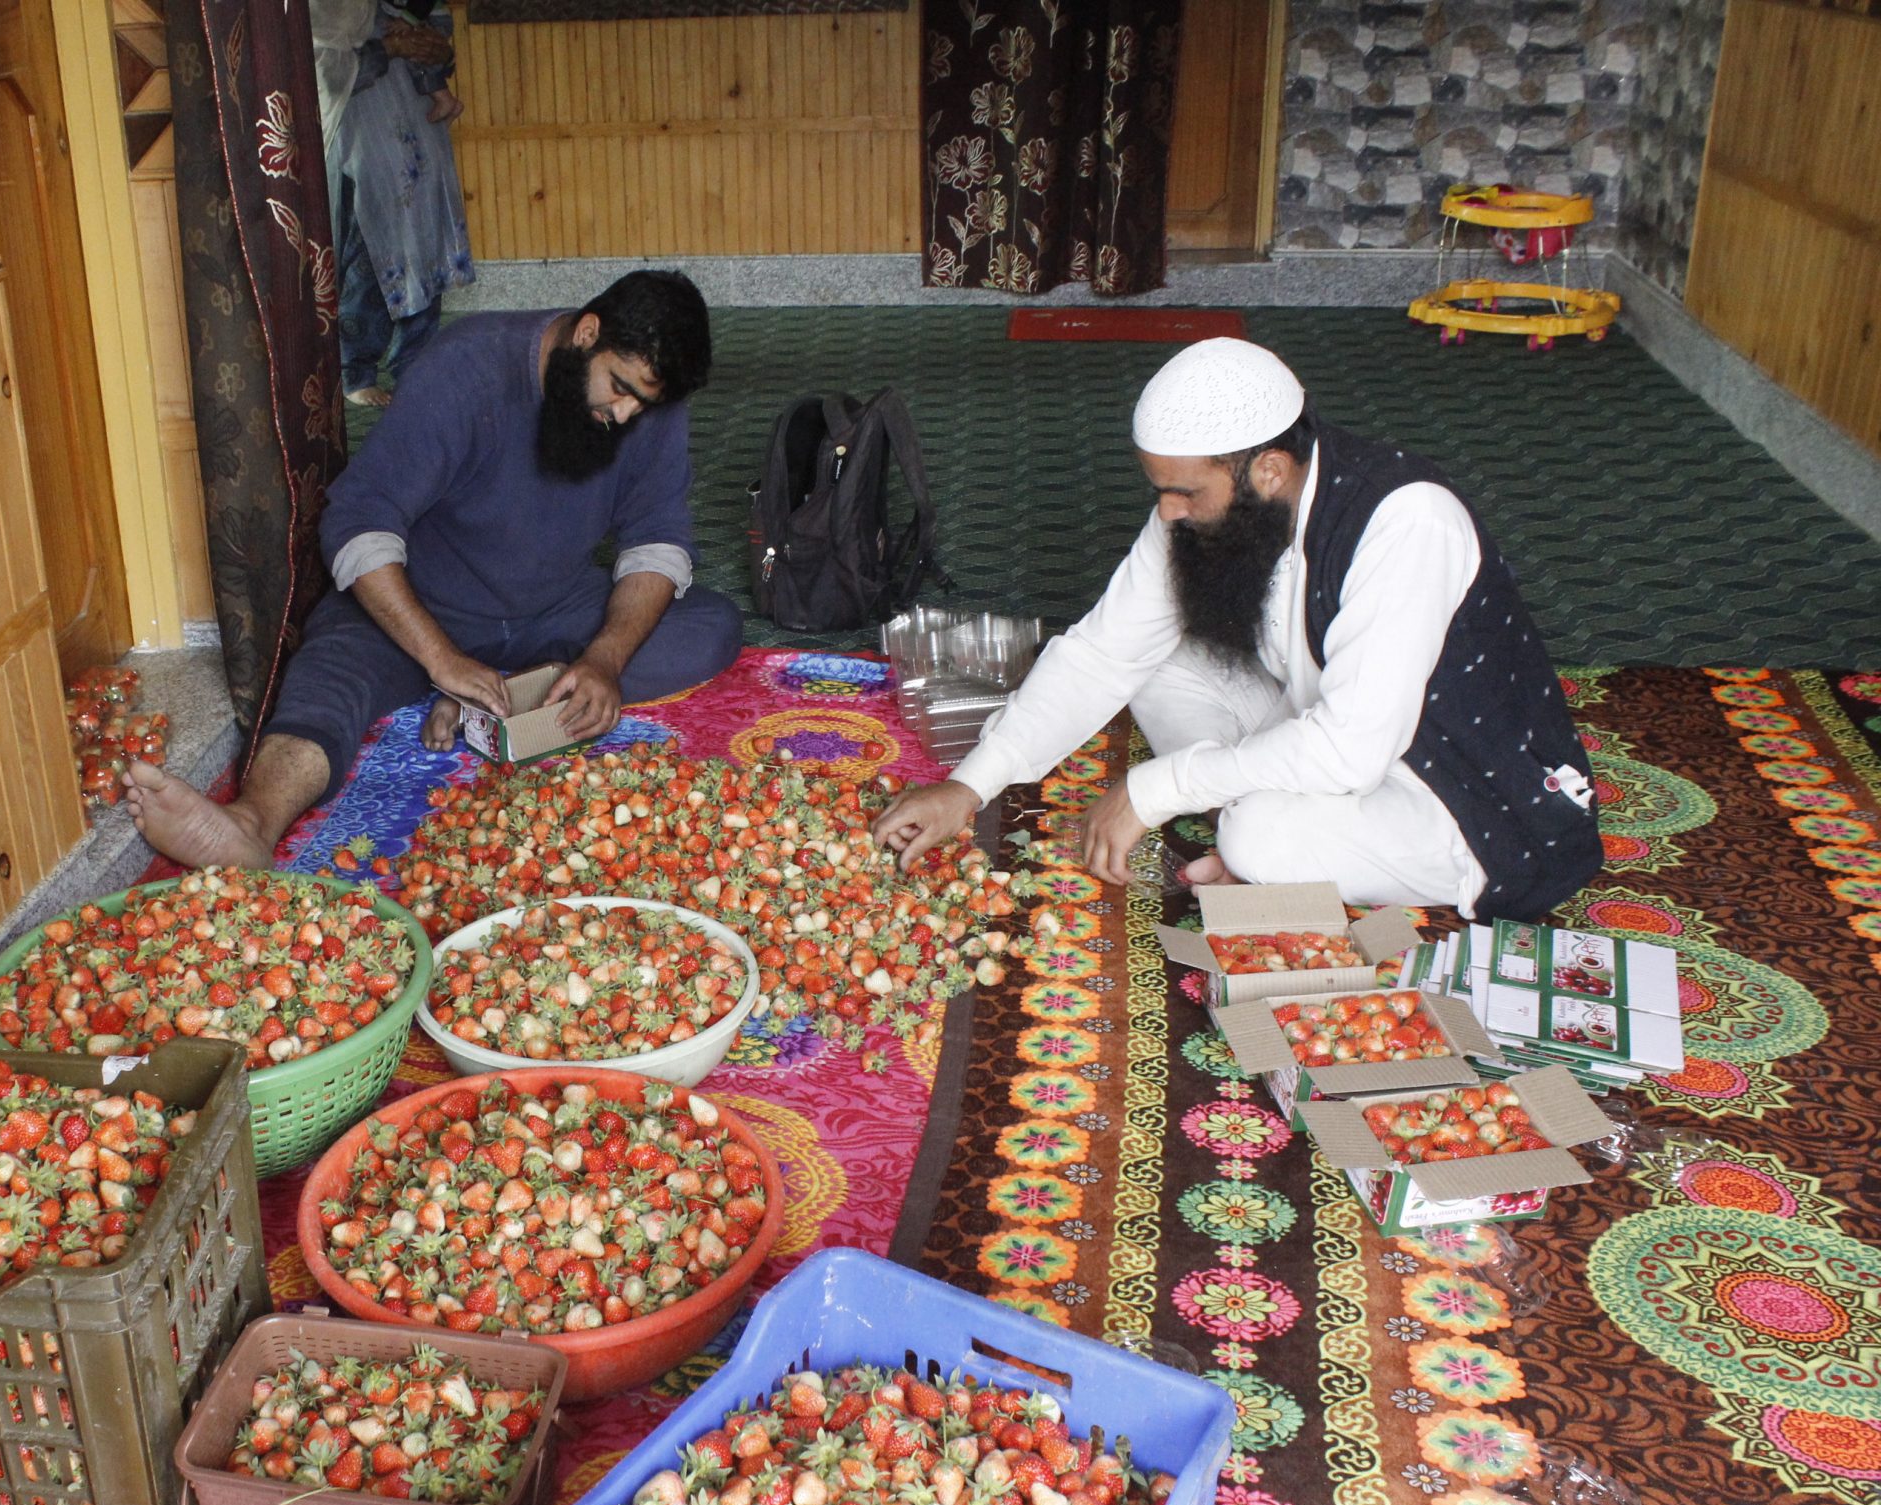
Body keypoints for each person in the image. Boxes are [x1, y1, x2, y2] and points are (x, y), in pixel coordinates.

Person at [871, 337, 1600, 919]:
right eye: (1160, 489)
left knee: (1257, 834)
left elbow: (1352, 751)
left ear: (1269, 471)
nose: (1166, 512)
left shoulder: (1407, 521)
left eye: (1184, 491)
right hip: (1333, 727)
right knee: (1155, 662)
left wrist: (1155, 788)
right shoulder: (1209, 508)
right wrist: (967, 787)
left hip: (1465, 799)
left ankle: (1257, 834)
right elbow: (1101, 653)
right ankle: (1255, 818)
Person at [127, 269, 745, 869]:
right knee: (330, 673)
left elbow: (657, 541)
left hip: (551, 612)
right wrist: (439, 657)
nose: (625, 416)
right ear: (587, 333)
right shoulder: (467, 367)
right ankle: (251, 822)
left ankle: (510, 689)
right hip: (425, 606)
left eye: (644, 403)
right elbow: (359, 522)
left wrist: (605, 660)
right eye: (620, 389)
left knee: (708, 624)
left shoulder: (645, 403)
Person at [313, 0, 472, 405]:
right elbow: (319, 69)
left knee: (425, 235)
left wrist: (434, 46)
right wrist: (390, 48)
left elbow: (433, 26)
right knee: (369, 244)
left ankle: (416, 364)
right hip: (356, 129)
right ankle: (355, 369)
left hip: (416, 119)